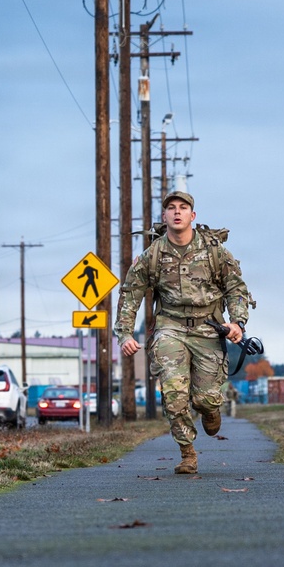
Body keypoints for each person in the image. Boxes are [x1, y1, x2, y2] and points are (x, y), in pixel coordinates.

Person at [114, 191, 252, 475]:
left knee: (206, 398)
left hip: (208, 328)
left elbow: (236, 289)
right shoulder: (152, 255)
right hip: (170, 328)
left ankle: (210, 409)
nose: (177, 212)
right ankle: (187, 453)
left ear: (193, 215)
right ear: (164, 216)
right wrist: (125, 334)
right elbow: (130, 294)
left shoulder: (215, 251)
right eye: (171, 208)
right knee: (174, 395)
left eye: (183, 207)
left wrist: (237, 322)